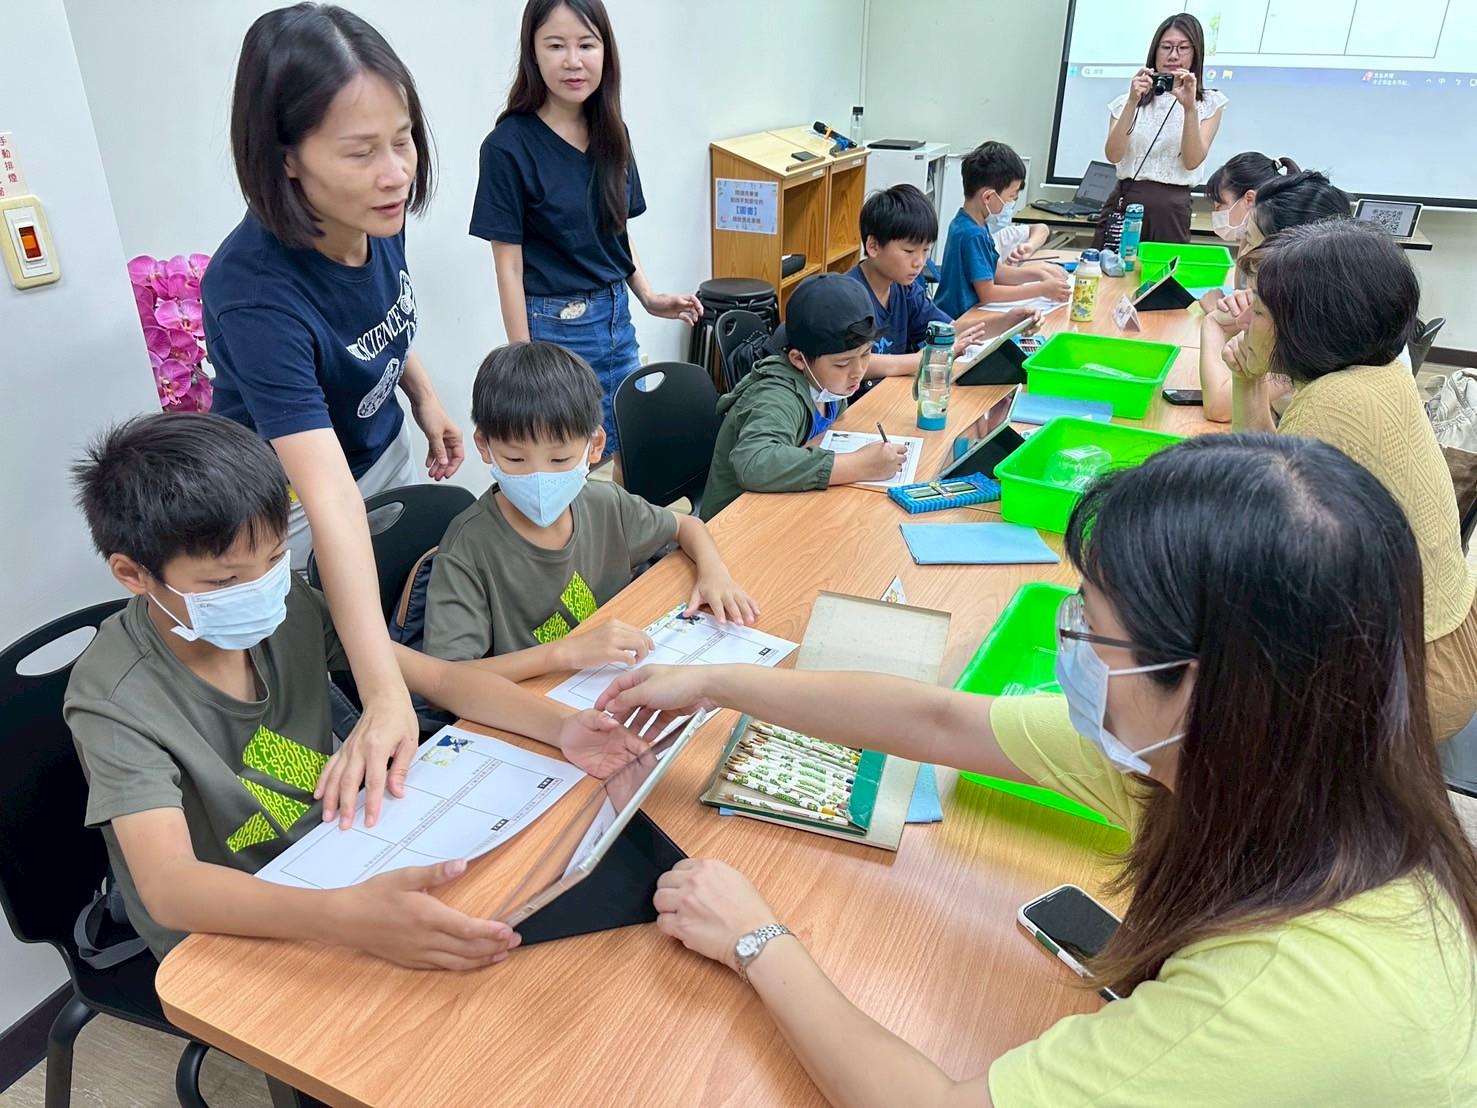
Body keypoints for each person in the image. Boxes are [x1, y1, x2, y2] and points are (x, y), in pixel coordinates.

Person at [596, 433, 1477, 1105]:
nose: (1073, 645)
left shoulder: (1276, 997)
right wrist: (713, 682)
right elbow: (938, 718)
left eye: (1092, 625)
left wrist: (756, 939)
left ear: (1200, 684)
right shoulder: (1277, 764)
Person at [64, 413, 647, 967]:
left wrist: (561, 727)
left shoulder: (285, 605)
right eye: (224, 581)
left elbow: (438, 678)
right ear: (133, 574)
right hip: (236, 920)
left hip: (339, 851)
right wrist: (343, 917)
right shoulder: (114, 698)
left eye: (275, 558)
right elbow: (170, 887)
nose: (261, 587)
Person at [203, 4, 452, 823]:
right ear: (287, 159)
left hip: (376, 462)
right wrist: (384, 697)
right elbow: (327, 495)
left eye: (403, 140)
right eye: (360, 151)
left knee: (396, 639)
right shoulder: (252, 289)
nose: (396, 173)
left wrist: (423, 397)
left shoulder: (373, 214)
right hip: (296, 509)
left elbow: (378, 322)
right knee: (326, 696)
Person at [1225, 219, 1477, 739]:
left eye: (1262, 311)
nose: (1247, 318)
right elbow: (1267, 472)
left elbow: (1251, 521)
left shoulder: (1332, 404)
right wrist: (1247, 380)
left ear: (1307, 326)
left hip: (1413, 676)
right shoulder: (1376, 370)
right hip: (1441, 639)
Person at [422, 341, 756, 668]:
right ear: (484, 446)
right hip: (534, 695)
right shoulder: (468, 548)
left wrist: (715, 573)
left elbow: (686, 525)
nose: (539, 476)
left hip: (616, 674)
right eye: (515, 459)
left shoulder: (605, 504)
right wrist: (564, 653)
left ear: (594, 445)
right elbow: (446, 678)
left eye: (560, 459)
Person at [470, 0, 700, 456]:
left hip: (617, 319)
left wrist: (648, 296)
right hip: (554, 327)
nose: (573, 61)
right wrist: (525, 362)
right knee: (570, 459)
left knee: (625, 450)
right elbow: (508, 268)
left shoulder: (613, 133)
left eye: (586, 45)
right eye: (556, 45)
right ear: (533, 53)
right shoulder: (507, 147)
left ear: (605, 52)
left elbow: (617, 230)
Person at [700, 274, 908, 522]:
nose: (858, 372)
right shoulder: (775, 396)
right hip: (735, 523)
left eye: (866, 354)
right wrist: (859, 465)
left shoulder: (826, 383)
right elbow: (754, 462)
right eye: (842, 364)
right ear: (799, 359)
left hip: (785, 506)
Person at [1198, 169, 1348, 422]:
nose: (1243, 257)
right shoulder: (1321, 291)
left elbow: (1220, 407)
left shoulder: (1313, 322)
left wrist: (1213, 323)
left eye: (1250, 241)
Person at [847, 184, 1036, 380]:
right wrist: (921, 360)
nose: (919, 262)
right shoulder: (848, 298)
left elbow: (949, 330)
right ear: (873, 246)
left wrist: (1007, 322)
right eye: (909, 251)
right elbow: (853, 363)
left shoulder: (905, 290)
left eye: (925, 250)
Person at [1099, 13, 1227, 245]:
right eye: (1166, 47)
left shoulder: (1208, 103)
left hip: (1171, 210)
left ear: (1195, 53)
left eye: (1183, 48)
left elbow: (1192, 160)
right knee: (1107, 265)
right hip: (1124, 203)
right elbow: (1113, 155)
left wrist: (1189, 108)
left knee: (1162, 268)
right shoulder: (1126, 101)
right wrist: (1132, 102)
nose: (1173, 55)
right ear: (1155, 51)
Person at [934, 143, 1070, 318]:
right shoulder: (972, 234)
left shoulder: (973, 223)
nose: (1011, 203)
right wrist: (1041, 289)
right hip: (959, 319)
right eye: (1011, 196)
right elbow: (988, 293)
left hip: (968, 314)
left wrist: (1038, 273)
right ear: (988, 197)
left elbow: (995, 273)